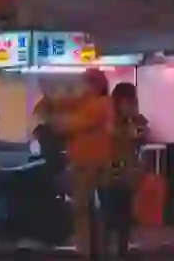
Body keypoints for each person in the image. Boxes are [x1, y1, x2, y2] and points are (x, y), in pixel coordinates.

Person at [54, 68, 115, 259]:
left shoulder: (101, 104)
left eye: (86, 83)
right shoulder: (87, 103)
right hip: (85, 162)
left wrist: (60, 120)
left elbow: (74, 123)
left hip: (91, 163)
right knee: (85, 209)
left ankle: (88, 250)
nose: (82, 87)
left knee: (82, 208)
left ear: (95, 85)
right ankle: (89, 249)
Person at [101, 83, 149, 258]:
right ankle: (105, 252)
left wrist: (135, 120)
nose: (131, 104)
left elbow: (143, 134)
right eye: (129, 101)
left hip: (125, 174)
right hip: (109, 174)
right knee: (109, 216)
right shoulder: (109, 120)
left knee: (123, 217)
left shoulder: (131, 120)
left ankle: (120, 251)